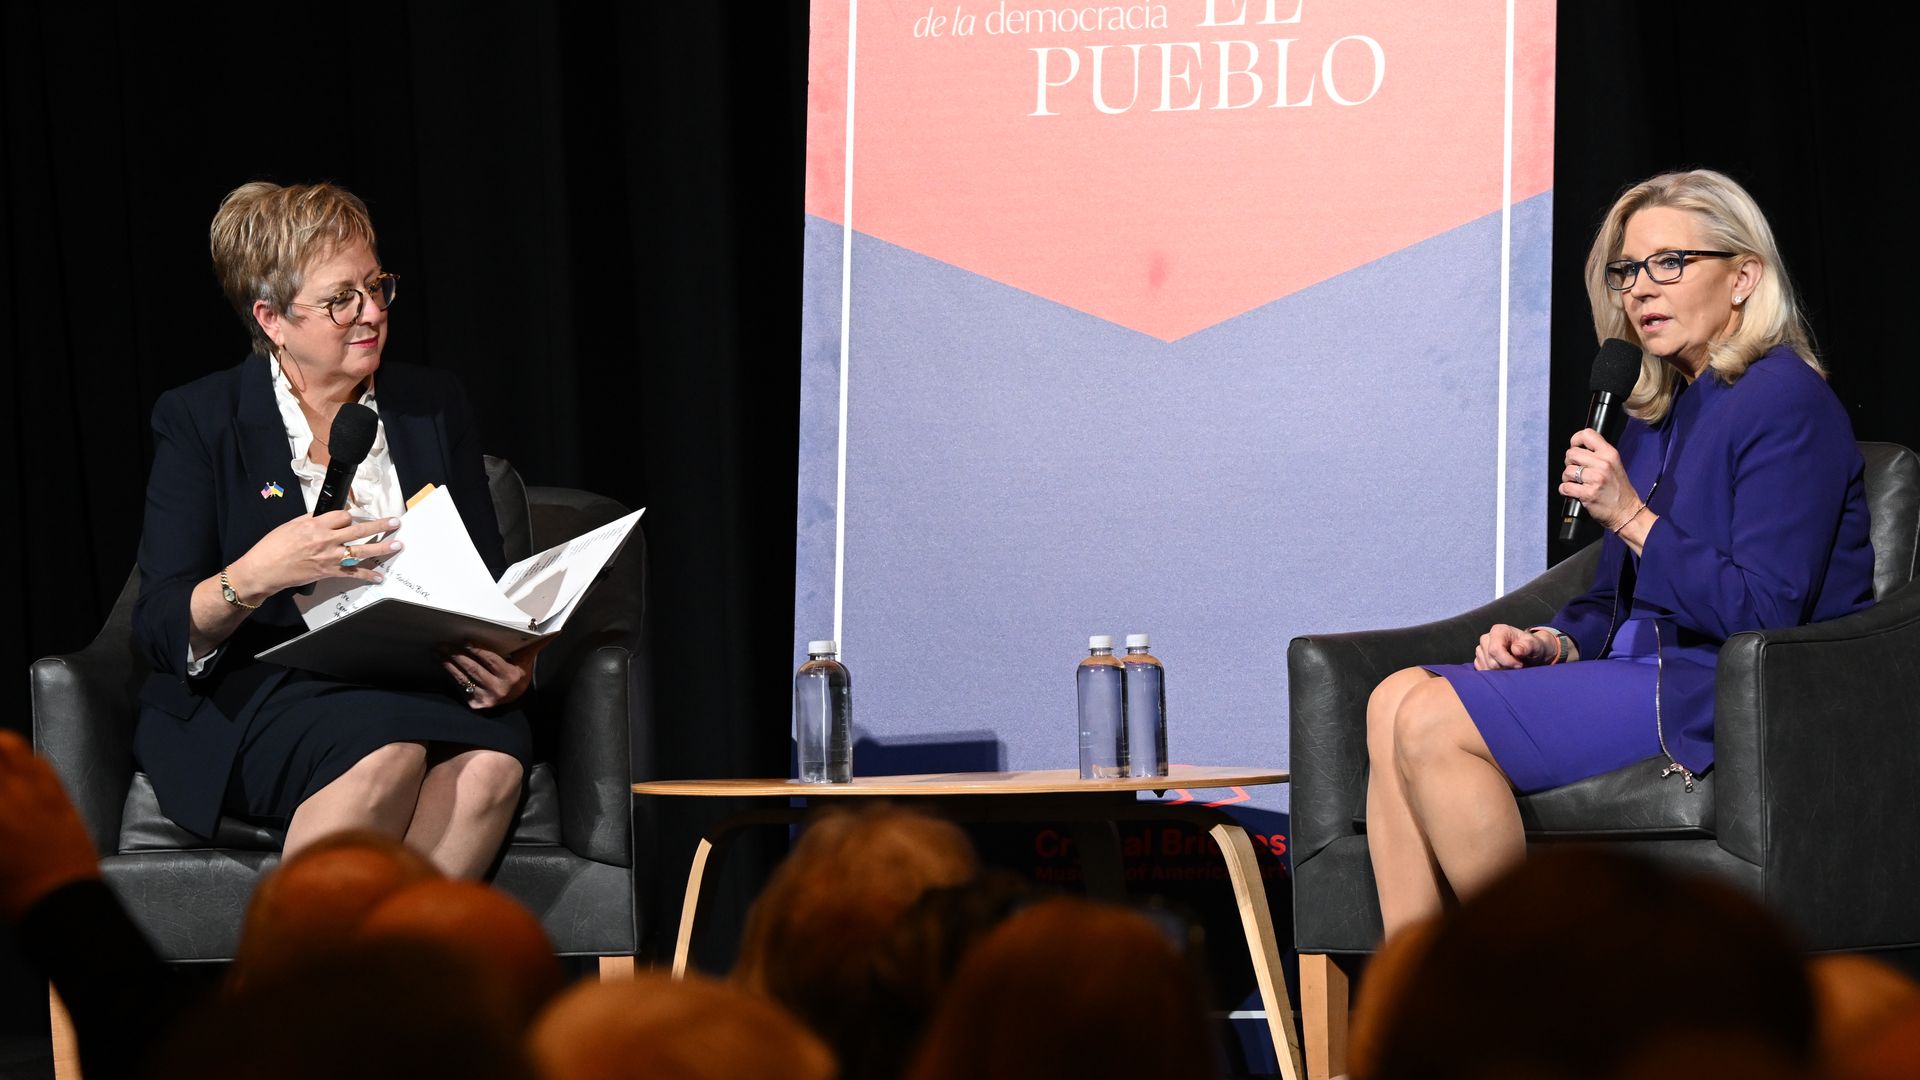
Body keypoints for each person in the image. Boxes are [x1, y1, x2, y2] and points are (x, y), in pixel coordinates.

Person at [1364, 169, 1875, 935]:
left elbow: (1766, 611)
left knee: (1435, 719)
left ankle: (1553, 1007)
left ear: (1743, 277)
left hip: (1725, 690)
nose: (1641, 289)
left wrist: (1631, 515)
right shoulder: (1661, 407)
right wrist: (1551, 641)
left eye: (1670, 263)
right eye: (1628, 270)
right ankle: (1411, 1017)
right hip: (1639, 669)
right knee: (1391, 698)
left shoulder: (1786, 402)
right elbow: (1617, 597)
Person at [132, 181, 532, 876]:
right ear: (272, 318)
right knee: (386, 750)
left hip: (422, 682)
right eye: (340, 299)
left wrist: (514, 658)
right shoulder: (202, 420)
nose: (371, 312)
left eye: (377, 286)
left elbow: (487, 581)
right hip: (261, 690)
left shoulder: (431, 406)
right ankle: (303, 973)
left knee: (493, 764)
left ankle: (392, 983)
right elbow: (161, 626)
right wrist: (255, 575)